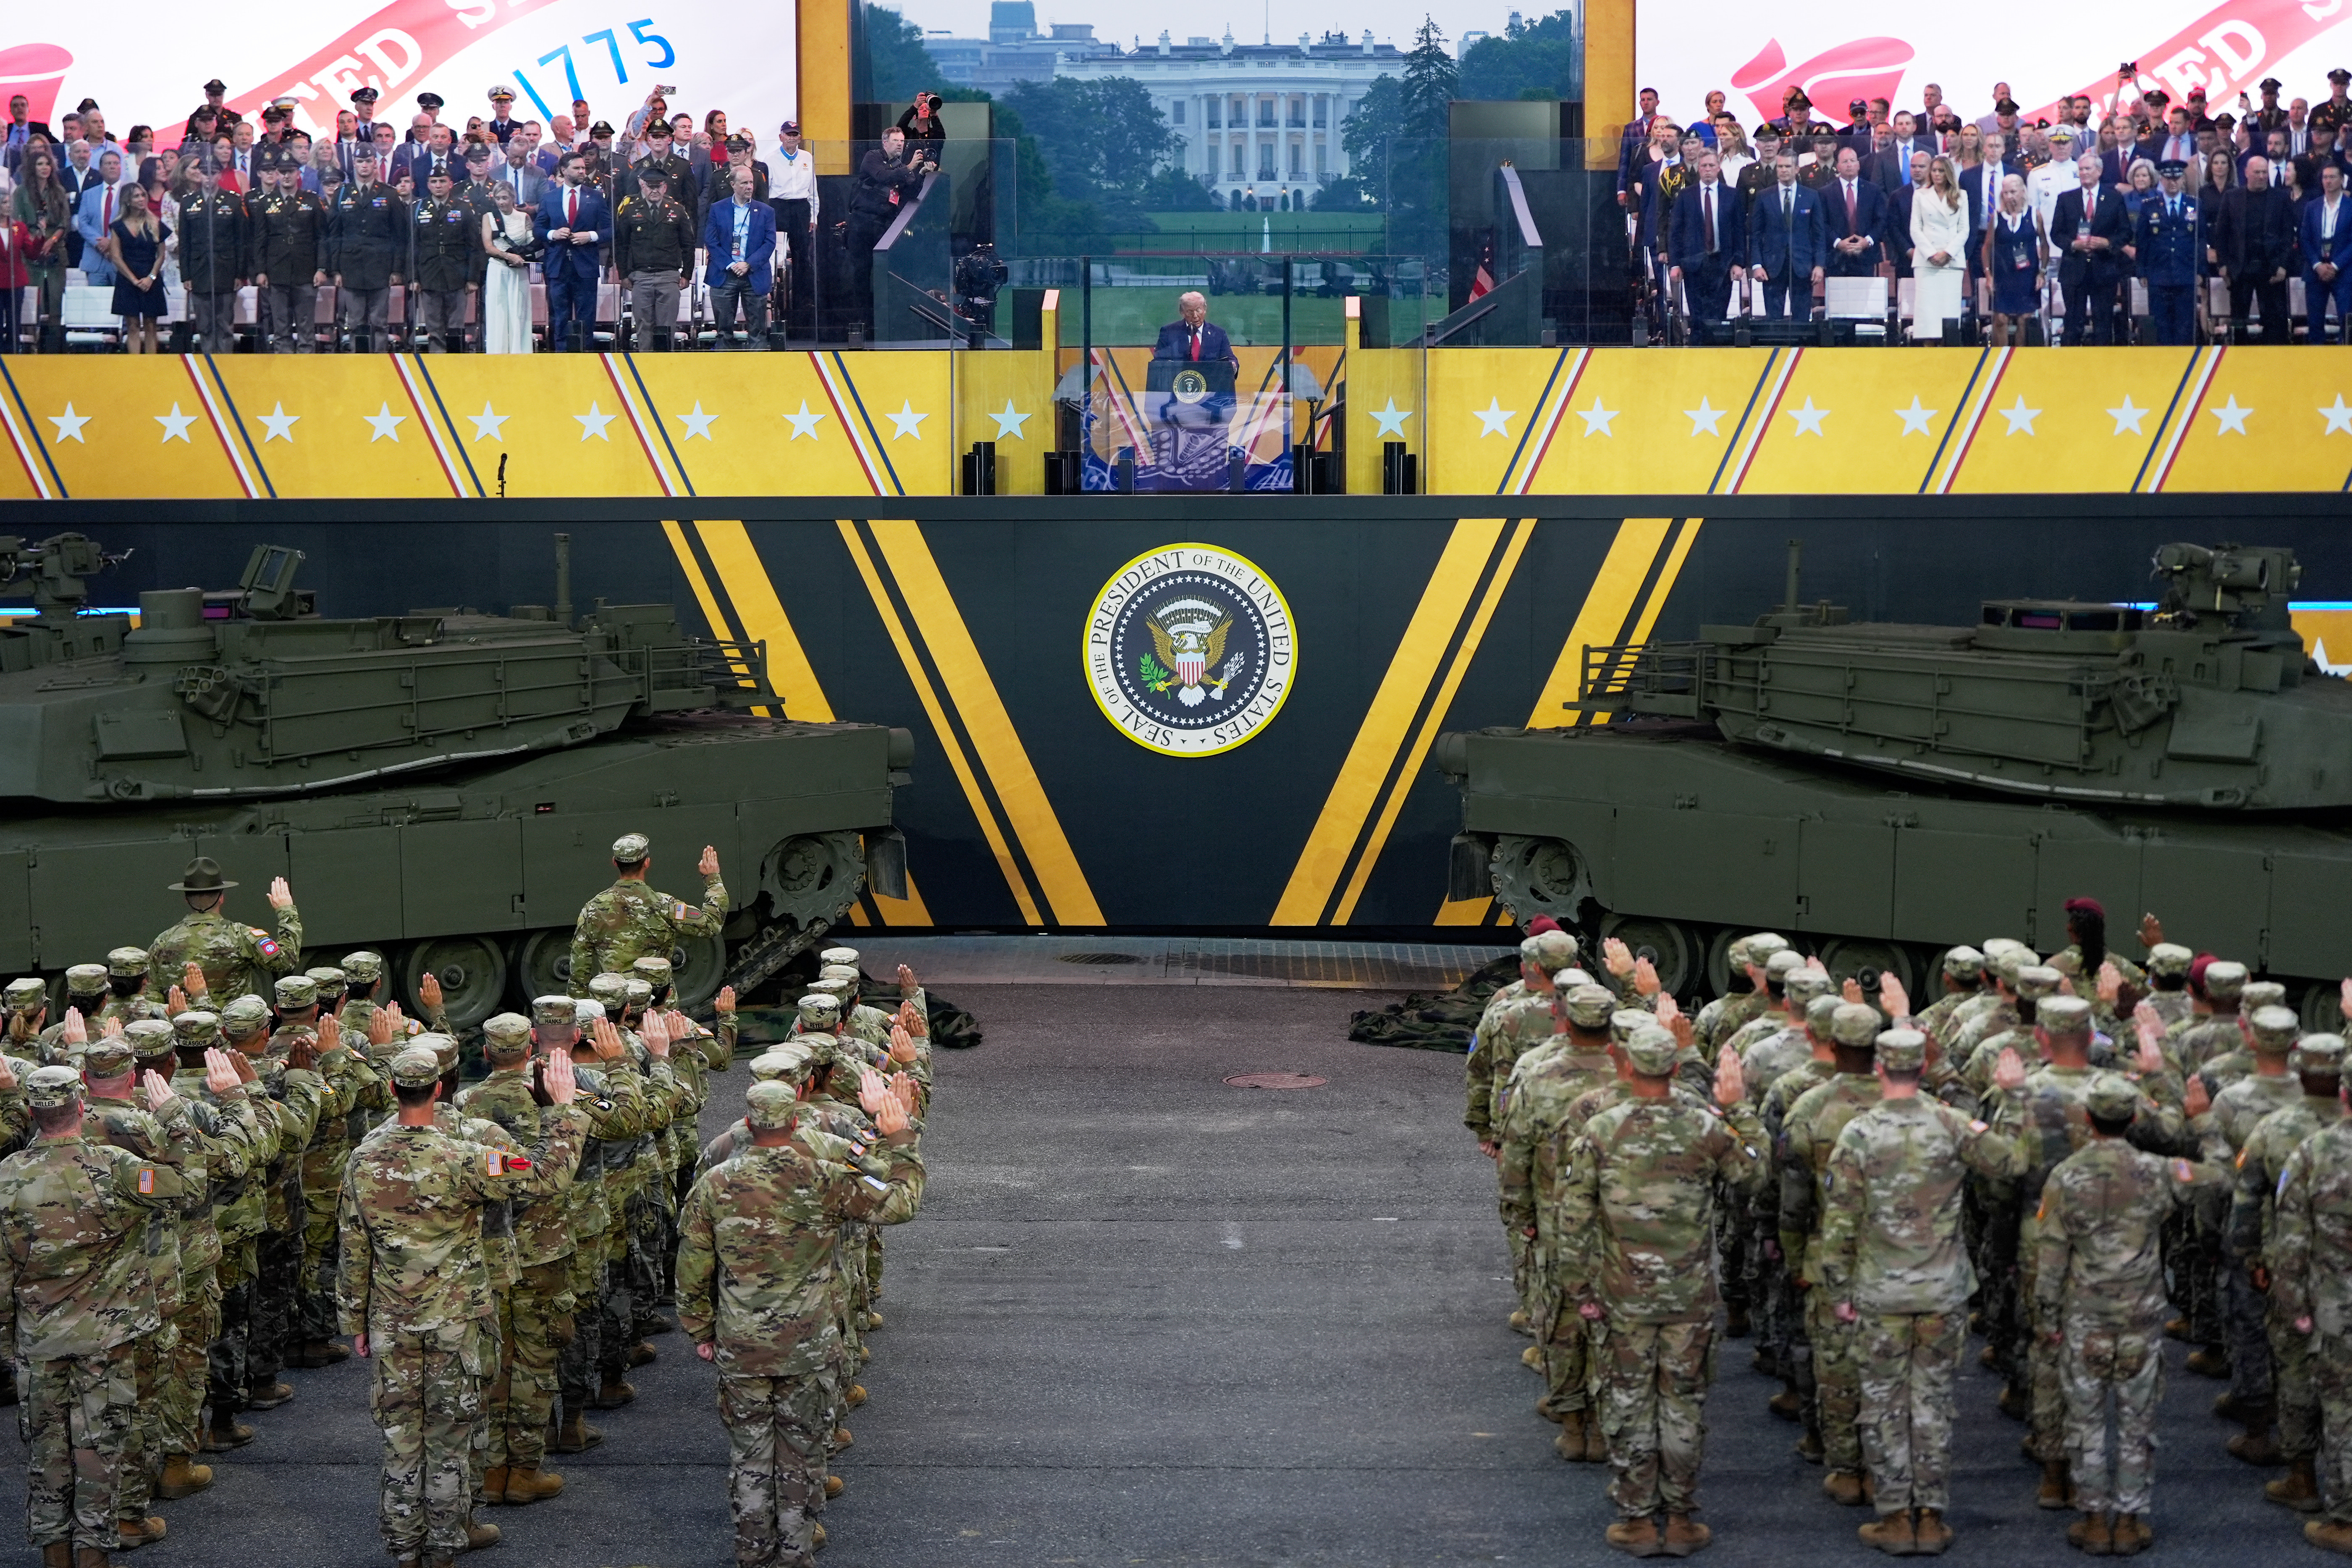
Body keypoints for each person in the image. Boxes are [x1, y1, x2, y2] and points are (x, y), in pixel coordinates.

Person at [340, 1043, 588, 1568]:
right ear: (437, 1089)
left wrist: (353, 1318)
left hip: (392, 1318)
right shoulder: (468, 1157)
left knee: (401, 1435)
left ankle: (405, 1548)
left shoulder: (362, 1156)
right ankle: (447, 1545)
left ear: (391, 1091)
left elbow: (353, 1243)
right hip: (456, 1320)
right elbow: (544, 1174)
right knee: (451, 1434)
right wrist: (563, 1109)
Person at [680, 1070, 923, 1568]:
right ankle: (796, 1550)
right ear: (797, 1121)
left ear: (748, 1122)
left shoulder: (715, 1183)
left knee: (750, 1452)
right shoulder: (827, 1176)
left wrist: (701, 1330)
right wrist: (899, 1137)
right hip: (808, 1342)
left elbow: (691, 1269)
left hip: (741, 1343)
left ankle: (752, 1549)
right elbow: (899, 1201)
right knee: (803, 1449)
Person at [1818, 1028, 2031, 1556]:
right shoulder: (1952, 1124)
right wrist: (2015, 1097)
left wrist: (1838, 1289)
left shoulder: (1859, 1133)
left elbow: (1840, 1224)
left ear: (1880, 1070)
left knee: (1886, 1404)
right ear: (1924, 1068)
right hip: (1942, 1290)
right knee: (1933, 1402)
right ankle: (1931, 1515)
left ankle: (1895, 1517)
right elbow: (2014, 1161)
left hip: (1881, 1293)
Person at [1556, 1026, 1762, 1558]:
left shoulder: (1601, 1128)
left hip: (1622, 1295)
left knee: (1627, 1403)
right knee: (1683, 1404)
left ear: (1626, 1065)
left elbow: (1573, 1216)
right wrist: (1737, 1109)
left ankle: (1639, 1519)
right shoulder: (1704, 1125)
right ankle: (1681, 1517)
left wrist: (1580, 1289)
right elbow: (1753, 1176)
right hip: (1689, 1296)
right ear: (1673, 1069)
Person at [0, 1060, 205, 1568]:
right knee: (99, 1447)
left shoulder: (5, 1177)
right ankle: (94, 1554)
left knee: (47, 1451)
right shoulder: (119, 1167)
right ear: (81, 1107)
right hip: (106, 1339)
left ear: (32, 1112)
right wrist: (176, 1118)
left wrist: (7, 1341)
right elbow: (189, 1186)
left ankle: (55, 1554)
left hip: (39, 1340)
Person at [569, 834, 727, 992]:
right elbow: (712, 924)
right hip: (656, 1005)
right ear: (647, 863)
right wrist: (712, 879)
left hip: (616, 1005)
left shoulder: (591, 909)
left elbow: (579, 969)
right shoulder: (666, 906)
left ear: (615, 863)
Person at [846, 126, 933, 325]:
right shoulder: (873, 157)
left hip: (885, 224)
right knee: (861, 270)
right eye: (896, 141)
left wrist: (922, 174)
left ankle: (886, 318)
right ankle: (860, 319)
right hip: (863, 223)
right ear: (885, 143)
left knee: (887, 270)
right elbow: (882, 176)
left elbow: (911, 192)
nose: (900, 144)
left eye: (902, 141)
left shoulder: (901, 165)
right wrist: (910, 167)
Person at [614, 163, 696, 351]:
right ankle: (645, 368)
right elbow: (622, 245)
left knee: (667, 328)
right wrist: (624, 274)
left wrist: (687, 275)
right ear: (642, 186)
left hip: (668, 277)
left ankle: (665, 369)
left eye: (658, 186)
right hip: (641, 277)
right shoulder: (630, 211)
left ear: (665, 187)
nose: (654, 190)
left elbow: (688, 245)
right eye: (650, 186)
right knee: (643, 327)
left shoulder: (677, 210)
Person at [251, 149, 326, 353]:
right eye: (282, 172)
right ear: (276, 174)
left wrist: (321, 268)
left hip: (306, 272)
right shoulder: (266, 203)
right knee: (281, 329)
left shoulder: (311, 201)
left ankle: (306, 372)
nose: (286, 176)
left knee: (306, 329)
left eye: (290, 171)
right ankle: (285, 373)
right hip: (277, 273)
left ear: (298, 174)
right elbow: (260, 240)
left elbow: (322, 238)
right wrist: (260, 271)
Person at [2215, 155, 2296, 342]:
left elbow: (2287, 235)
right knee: (2239, 323)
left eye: (2264, 172)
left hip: (2271, 269)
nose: (2261, 176)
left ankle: (2275, 363)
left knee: (2275, 324)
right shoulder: (2231, 198)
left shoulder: (2281, 198)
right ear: (2246, 173)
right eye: (2257, 172)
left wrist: (2283, 265)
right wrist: (2223, 264)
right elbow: (2221, 235)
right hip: (2240, 269)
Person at [2050, 153, 2127, 344]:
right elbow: (2056, 234)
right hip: (2074, 270)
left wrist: (2107, 244)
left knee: (2103, 324)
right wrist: (2073, 245)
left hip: (2104, 269)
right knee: (2073, 324)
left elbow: (2125, 233)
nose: (2083, 173)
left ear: (2099, 172)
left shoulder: (2114, 198)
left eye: (2088, 169)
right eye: (2081, 170)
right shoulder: (2066, 199)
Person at [537, 152, 608, 351]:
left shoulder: (595, 197)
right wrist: (553, 234)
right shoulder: (549, 198)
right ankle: (560, 359)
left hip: (585, 267)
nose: (582, 171)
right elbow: (538, 229)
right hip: (558, 267)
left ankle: (586, 359)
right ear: (564, 171)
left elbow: (610, 230)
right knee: (559, 318)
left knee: (586, 318)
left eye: (583, 168)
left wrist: (590, 236)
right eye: (577, 168)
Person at [2131, 159, 2204, 343]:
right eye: (2168, 179)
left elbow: (2200, 240)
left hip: (2185, 272)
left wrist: (2201, 271)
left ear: (2182, 180)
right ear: (2161, 180)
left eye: (2177, 178)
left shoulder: (2194, 205)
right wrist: (2142, 271)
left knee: (2185, 325)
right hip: (2159, 273)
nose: (2173, 183)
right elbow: (2143, 241)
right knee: (2160, 324)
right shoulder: (2150, 206)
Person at [1746, 152, 1825, 320]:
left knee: (1802, 319)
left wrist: (1819, 265)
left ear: (1797, 169)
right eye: (1780, 167)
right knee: (1773, 321)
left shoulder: (1811, 196)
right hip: (1772, 267)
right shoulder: (1764, 196)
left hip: (1802, 267)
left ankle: (1800, 348)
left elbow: (1819, 235)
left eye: (1788, 167)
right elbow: (1756, 234)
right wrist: (1757, 264)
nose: (1783, 170)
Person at [705, 166, 776, 349]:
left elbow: (769, 243)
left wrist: (748, 264)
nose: (749, 187)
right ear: (733, 185)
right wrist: (731, 264)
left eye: (751, 182)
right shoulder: (717, 209)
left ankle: (757, 369)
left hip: (754, 274)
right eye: (744, 183)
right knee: (724, 331)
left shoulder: (766, 211)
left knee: (758, 331)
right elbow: (711, 241)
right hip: (724, 274)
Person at [407, 166, 475, 352]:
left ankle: (456, 362)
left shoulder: (462, 208)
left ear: (451, 184)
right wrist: (413, 278)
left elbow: (474, 245)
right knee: (434, 326)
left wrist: (472, 278)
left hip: (457, 274)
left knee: (456, 326)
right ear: (428, 185)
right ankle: (437, 363)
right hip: (429, 274)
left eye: (443, 181)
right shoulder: (418, 208)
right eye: (434, 182)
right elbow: (412, 246)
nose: (438, 185)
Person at [100, 181, 169, 353]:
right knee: (132, 325)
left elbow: (161, 255)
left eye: (143, 195)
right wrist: (133, 280)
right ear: (128, 201)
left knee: (151, 325)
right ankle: (135, 365)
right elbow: (116, 257)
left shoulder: (155, 223)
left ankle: (151, 366)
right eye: (136, 196)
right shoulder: (118, 226)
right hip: (128, 279)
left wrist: (151, 278)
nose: (141, 199)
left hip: (151, 278)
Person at [12, 146, 68, 350]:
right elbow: (18, 222)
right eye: (40, 164)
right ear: (32, 168)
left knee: (55, 303)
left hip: (55, 253)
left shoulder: (58, 191)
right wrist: (35, 239)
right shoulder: (21, 192)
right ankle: (30, 348)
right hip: (30, 253)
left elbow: (65, 222)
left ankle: (53, 349)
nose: (45, 168)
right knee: (33, 305)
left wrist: (51, 240)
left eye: (47, 164)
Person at [1909, 154, 1968, 336]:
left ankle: (1948, 350)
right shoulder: (1920, 195)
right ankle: (1928, 349)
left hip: (1951, 262)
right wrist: (1931, 254)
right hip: (1927, 263)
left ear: (1948, 173)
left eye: (1941, 171)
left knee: (1948, 311)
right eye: (1934, 170)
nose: (1937, 174)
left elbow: (1964, 230)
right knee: (1927, 313)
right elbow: (1916, 228)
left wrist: (1947, 253)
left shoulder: (1961, 195)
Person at [770, 121, 819, 334]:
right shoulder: (770, 159)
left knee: (803, 256)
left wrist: (814, 216)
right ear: (781, 136)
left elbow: (813, 190)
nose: (792, 138)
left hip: (801, 208)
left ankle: (803, 300)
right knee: (777, 256)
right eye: (788, 135)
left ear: (800, 138)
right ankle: (776, 299)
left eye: (795, 135)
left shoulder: (807, 158)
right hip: (779, 207)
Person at [1982, 174, 2040, 345]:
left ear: (2023, 192)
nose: (2009, 196)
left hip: (2027, 274)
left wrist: (2042, 273)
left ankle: (2020, 359)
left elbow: (2044, 245)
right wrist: (1988, 275)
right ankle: (2001, 358)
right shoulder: (1997, 217)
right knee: (2000, 319)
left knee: (2025, 319)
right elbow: (1986, 247)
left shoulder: (2035, 215)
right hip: (2003, 274)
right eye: (2006, 193)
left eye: (2013, 192)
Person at [479, 180, 534, 354]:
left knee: (519, 312)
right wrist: (508, 256)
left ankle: (521, 352)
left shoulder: (524, 217)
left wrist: (523, 257)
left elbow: (531, 244)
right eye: (498, 198)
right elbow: (488, 247)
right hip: (498, 269)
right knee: (499, 310)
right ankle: (498, 353)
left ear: (513, 198)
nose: (501, 202)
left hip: (519, 271)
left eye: (505, 198)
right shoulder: (489, 217)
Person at [1822, 146, 1887, 280]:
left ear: (1858, 165)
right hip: (1836, 257)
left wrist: (1867, 241)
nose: (1849, 165)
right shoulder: (1825, 193)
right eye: (1845, 162)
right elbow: (1822, 223)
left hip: (1866, 256)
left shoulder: (1873, 190)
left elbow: (1881, 220)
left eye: (1852, 161)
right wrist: (1838, 243)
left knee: (1864, 300)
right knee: (1837, 300)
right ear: (1838, 166)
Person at [2305, 162, 2352, 343]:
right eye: (2325, 177)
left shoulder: (2350, 206)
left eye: (2333, 177)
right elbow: (2305, 239)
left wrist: (2334, 265)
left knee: (2346, 321)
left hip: (2344, 271)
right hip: (2316, 271)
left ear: (2342, 180)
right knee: (2315, 322)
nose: (2328, 181)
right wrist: (2318, 266)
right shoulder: (2312, 207)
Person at [897, 91, 947, 167]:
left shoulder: (935, 135)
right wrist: (915, 106)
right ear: (915, 117)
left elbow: (941, 134)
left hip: (930, 174)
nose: (925, 110)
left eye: (927, 109)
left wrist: (934, 115)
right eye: (921, 109)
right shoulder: (910, 134)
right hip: (910, 174)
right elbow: (900, 126)